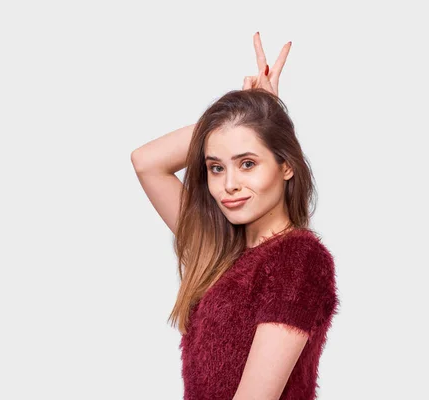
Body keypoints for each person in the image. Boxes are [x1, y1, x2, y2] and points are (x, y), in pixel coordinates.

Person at [131, 32, 339, 400]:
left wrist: (262, 117)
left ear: (286, 165)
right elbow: (146, 161)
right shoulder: (220, 251)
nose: (229, 185)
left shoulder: (297, 260)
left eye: (247, 163)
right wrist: (252, 112)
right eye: (215, 167)